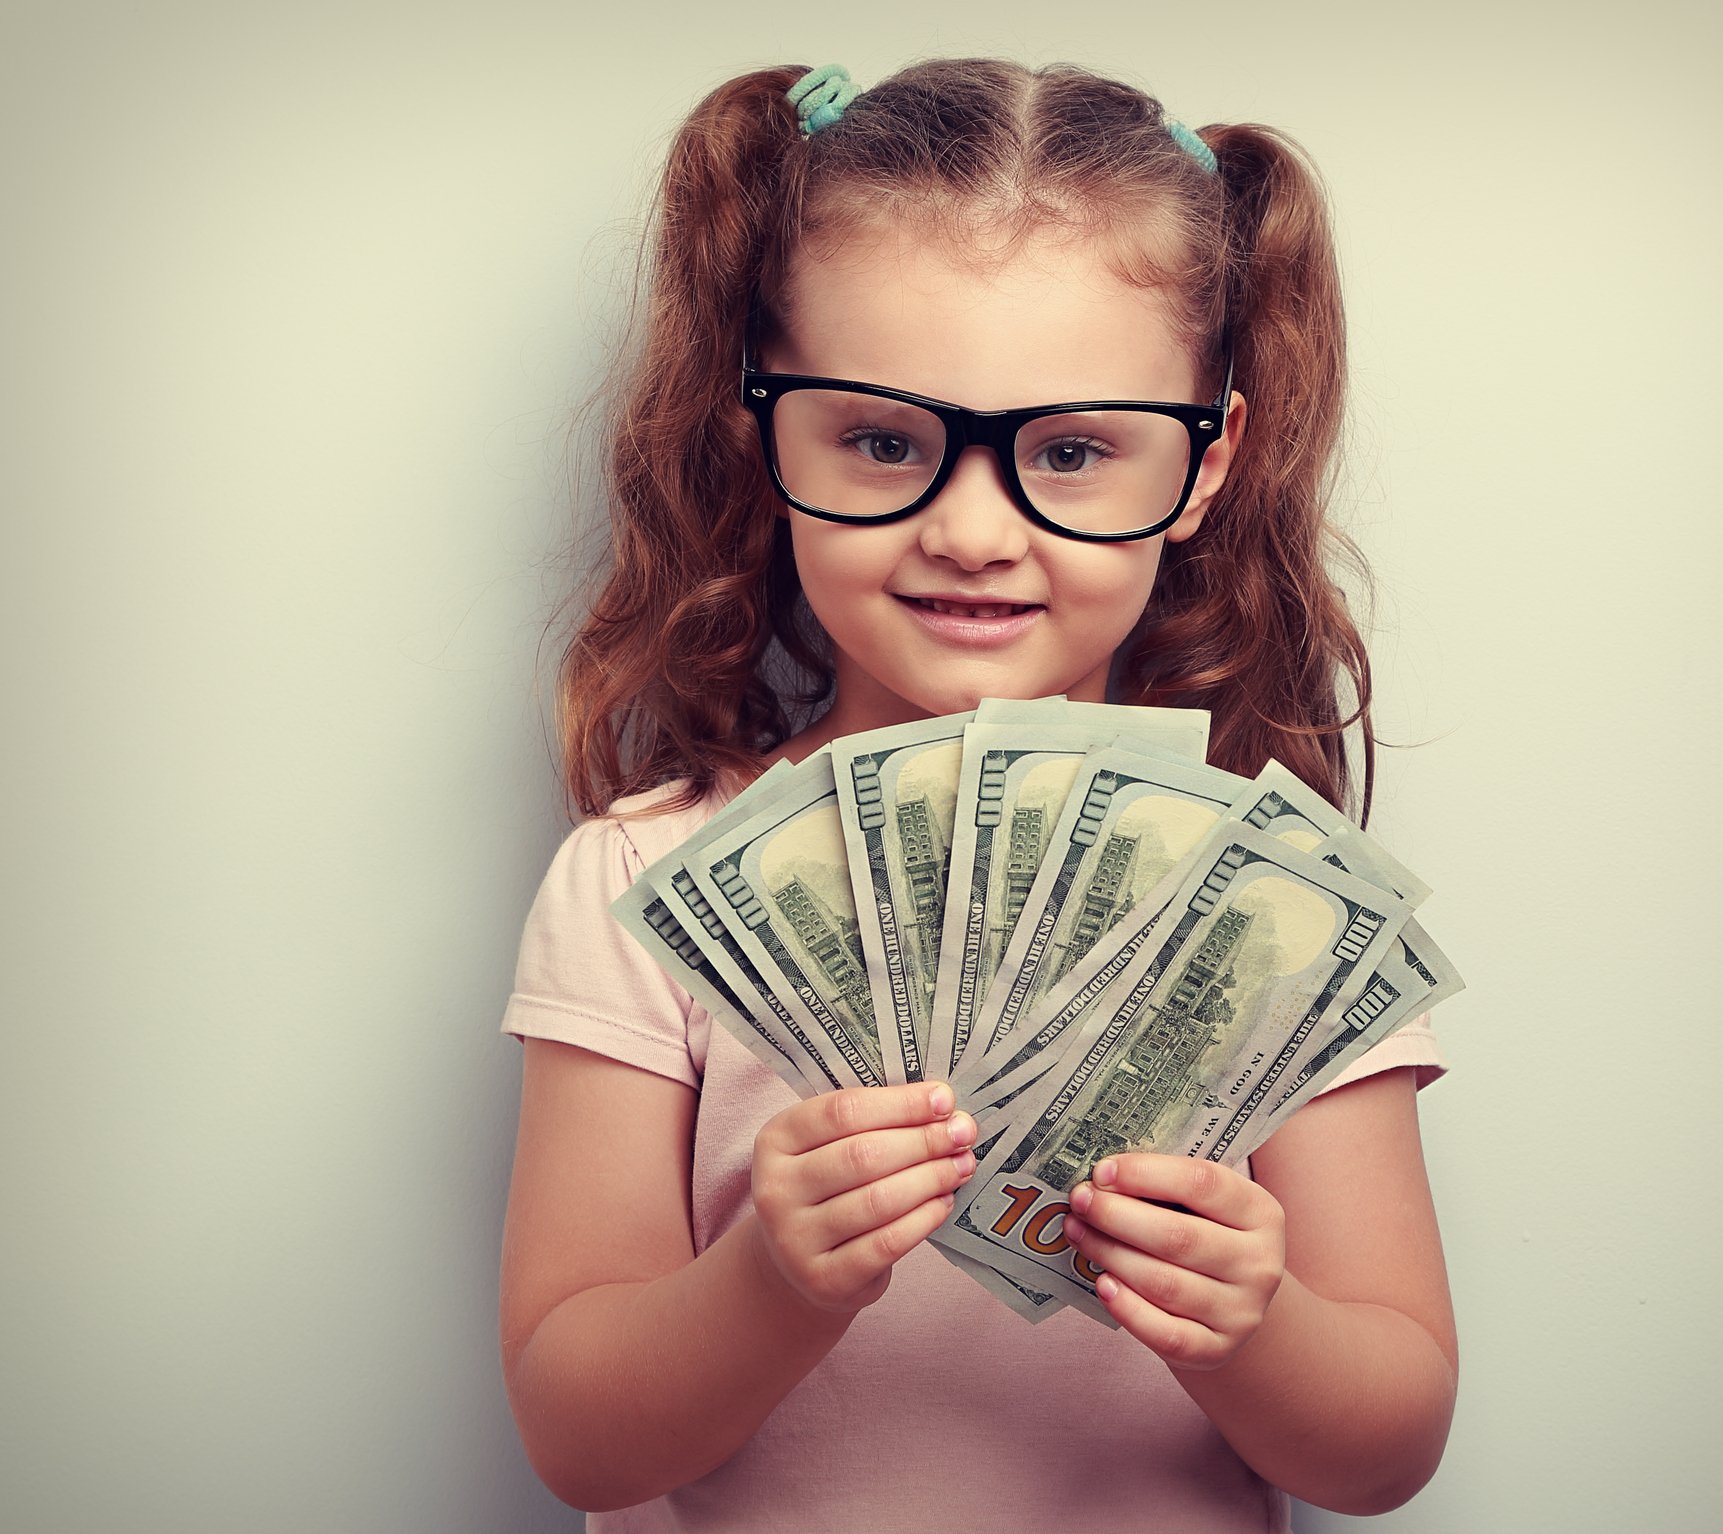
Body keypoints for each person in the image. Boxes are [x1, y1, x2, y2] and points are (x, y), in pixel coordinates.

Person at [497, 58, 1458, 1533]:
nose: (971, 530)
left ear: (1206, 465)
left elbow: (1387, 1447)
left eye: (1071, 452)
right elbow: (579, 1438)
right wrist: (772, 1280)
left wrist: (1252, 1323)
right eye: (884, 439)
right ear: (766, 427)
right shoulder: (640, 882)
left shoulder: (1278, 905)